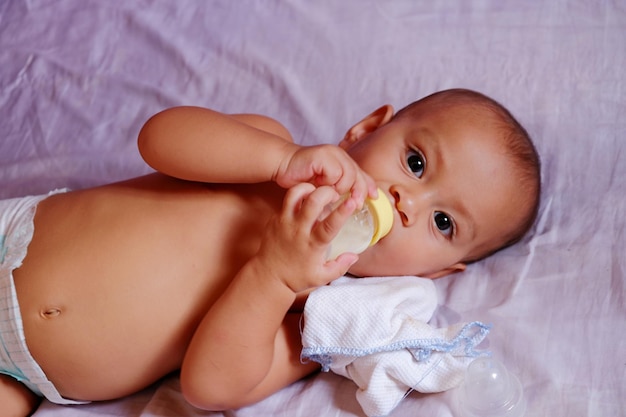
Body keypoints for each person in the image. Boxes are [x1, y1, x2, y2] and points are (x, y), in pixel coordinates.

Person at [0, 88, 540, 416]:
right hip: (16, 236)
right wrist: (280, 158)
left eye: (442, 222)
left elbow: (209, 388)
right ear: (367, 130)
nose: (405, 203)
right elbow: (157, 137)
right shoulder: (265, 153)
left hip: (28, 379)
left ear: (436, 272)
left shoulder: (311, 316)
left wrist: (275, 277)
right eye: (416, 163)